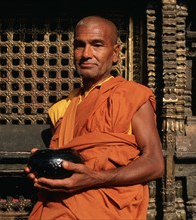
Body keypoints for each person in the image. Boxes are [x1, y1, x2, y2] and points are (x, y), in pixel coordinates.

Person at [24, 15, 165, 219]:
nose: (86, 54)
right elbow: (70, 164)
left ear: (115, 53)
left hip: (110, 208)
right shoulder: (60, 110)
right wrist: (41, 168)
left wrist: (95, 178)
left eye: (97, 45)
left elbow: (155, 163)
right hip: (60, 207)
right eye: (80, 45)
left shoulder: (133, 96)